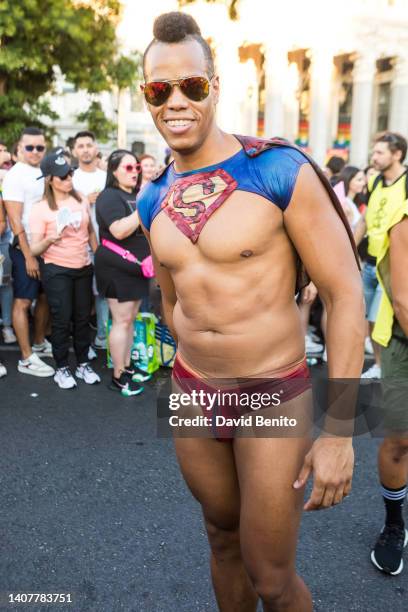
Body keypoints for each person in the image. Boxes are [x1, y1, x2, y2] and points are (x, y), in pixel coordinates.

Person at [137, 12, 364, 611]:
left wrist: (340, 430)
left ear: (214, 84)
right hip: (191, 388)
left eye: (192, 85)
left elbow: (345, 296)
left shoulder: (277, 168)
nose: (175, 101)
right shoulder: (151, 193)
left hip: (270, 390)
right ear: (147, 97)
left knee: (272, 576)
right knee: (220, 537)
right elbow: (172, 296)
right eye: (160, 89)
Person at [29, 151, 100, 389]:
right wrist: (51, 239)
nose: (69, 178)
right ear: (50, 179)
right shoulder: (40, 208)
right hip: (56, 269)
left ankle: (82, 364)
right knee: (61, 319)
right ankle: (62, 368)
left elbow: (89, 231)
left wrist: (97, 255)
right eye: (63, 176)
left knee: (82, 318)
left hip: (83, 266)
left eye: (70, 173)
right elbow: (34, 248)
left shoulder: (79, 199)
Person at [370, 192, 408, 575]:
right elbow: (405, 302)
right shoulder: (405, 215)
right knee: (400, 442)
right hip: (404, 344)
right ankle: (394, 524)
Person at [95, 150, 151, 397]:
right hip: (116, 267)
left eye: (136, 167)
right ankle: (118, 375)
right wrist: (143, 208)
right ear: (114, 171)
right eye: (128, 168)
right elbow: (118, 230)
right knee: (121, 321)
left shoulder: (135, 194)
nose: (134, 172)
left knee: (130, 320)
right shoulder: (108, 196)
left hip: (137, 267)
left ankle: (126, 366)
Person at [354, 132, 408, 380]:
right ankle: (379, 364)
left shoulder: (406, 182)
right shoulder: (375, 182)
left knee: (382, 318)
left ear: (397, 154)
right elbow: (364, 221)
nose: (373, 157)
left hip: (393, 267)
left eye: (379, 152)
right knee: (369, 320)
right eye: (373, 152)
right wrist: (350, 251)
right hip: (369, 264)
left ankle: (385, 366)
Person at [2, 127, 54, 377]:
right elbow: (15, 221)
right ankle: (26, 358)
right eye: (29, 147)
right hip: (24, 249)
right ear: (19, 148)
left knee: (44, 297)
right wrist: (29, 256)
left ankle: (39, 342)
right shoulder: (16, 175)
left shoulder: (42, 171)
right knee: (23, 301)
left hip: (46, 247)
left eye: (40, 148)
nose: (35, 152)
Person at [72, 130, 108, 350]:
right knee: (81, 295)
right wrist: (85, 199)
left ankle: (103, 336)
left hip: (105, 244)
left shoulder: (106, 177)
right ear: (74, 151)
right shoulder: (70, 177)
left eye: (89, 145)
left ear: (96, 148)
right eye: (81, 146)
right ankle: (81, 340)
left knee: (103, 291)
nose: (85, 149)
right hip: (77, 246)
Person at [336, 166, 364, 231]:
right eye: (359, 180)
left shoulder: (353, 203)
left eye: (363, 180)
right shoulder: (344, 204)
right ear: (348, 180)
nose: (363, 183)